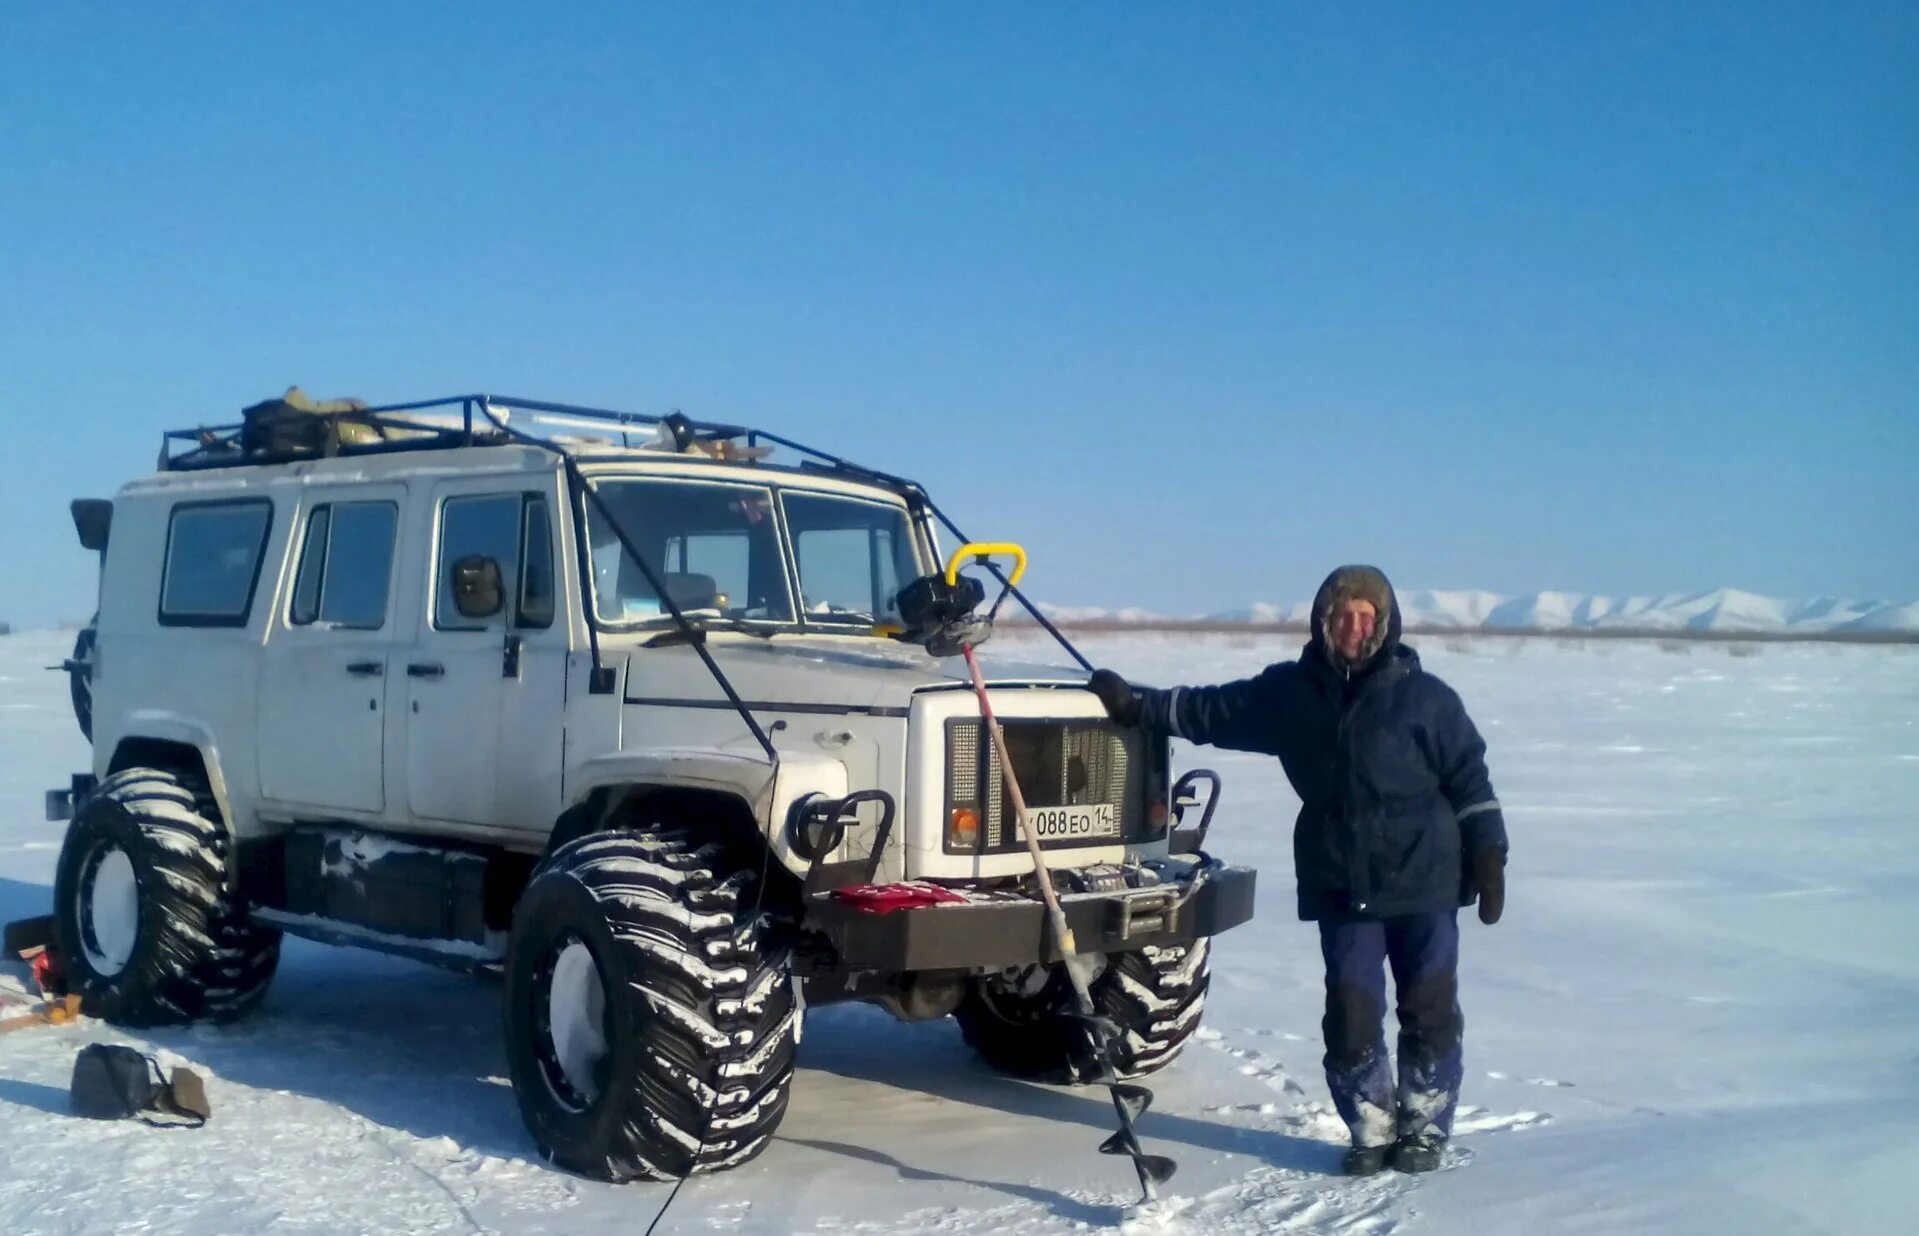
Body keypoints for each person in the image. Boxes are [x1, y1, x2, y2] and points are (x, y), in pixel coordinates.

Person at [1089, 565, 1507, 1176]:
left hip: (1426, 878)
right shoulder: (1290, 694)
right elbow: (1213, 711)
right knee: (1351, 1014)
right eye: (1343, 616)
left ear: (1385, 625)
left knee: (1429, 1005)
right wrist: (1139, 706)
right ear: (1322, 622)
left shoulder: (1427, 698)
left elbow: (1470, 776)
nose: (1354, 628)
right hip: (1342, 882)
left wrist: (1489, 852)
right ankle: (1370, 1128)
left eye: (1367, 618)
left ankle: (1424, 1127)